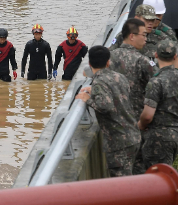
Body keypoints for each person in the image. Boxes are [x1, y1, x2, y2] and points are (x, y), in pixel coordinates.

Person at [75, 46, 140, 177]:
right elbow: (118, 96)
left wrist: (88, 99)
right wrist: (96, 92)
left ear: (89, 64)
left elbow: (105, 106)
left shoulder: (99, 82)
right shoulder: (120, 77)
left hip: (118, 143)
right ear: (108, 62)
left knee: (122, 185)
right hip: (133, 136)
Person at [137, 40, 178, 172]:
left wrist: (141, 125)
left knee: (158, 177)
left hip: (159, 137)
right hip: (175, 133)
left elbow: (148, 115)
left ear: (155, 55)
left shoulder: (156, 82)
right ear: (175, 56)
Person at [109, 18, 155, 121]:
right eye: (143, 35)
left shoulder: (108, 57)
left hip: (113, 119)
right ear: (132, 36)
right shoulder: (142, 60)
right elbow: (158, 84)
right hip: (136, 119)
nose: (146, 39)